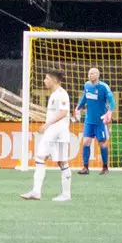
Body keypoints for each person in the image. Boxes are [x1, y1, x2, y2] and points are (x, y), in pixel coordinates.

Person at [21, 71, 74, 203]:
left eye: (47, 78)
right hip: (52, 132)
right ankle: (36, 191)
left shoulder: (61, 94)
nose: (44, 80)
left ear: (54, 80)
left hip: (59, 133)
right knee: (40, 157)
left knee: (62, 162)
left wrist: (47, 124)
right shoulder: (54, 95)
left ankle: (66, 194)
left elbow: (63, 112)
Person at [78, 65, 114, 174]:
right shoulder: (87, 85)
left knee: (102, 143)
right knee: (86, 142)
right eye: (89, 73)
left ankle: (105, 167)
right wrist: (78, 107)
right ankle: (85, 167)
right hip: (89, 121)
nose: (90, 75)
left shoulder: (104, 87)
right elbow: (85, 97)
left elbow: (112, 100)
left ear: (98, 75)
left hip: (100, 121)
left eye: (92, 73)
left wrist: (110, 111)